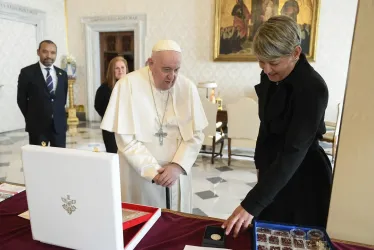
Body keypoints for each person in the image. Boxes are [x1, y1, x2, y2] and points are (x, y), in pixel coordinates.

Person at [222, 15, 332, 237]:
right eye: (261, 61)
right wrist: (261, 166)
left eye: (273, 62)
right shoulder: (270, 75)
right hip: (274, 170)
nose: (266, 70)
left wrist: (252, 203)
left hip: (304, 176)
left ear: (296, 53)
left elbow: (294, 150)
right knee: (267, 234)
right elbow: (267, 125)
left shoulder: (313, 88)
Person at [100, 40, 208, 212]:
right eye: (166, 69)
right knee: (141, 223)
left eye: (176, 70)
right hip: (139, 174)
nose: (172, 76)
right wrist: (152, 171)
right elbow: (125, 139)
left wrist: (178, 165)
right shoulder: (127, 85)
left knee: (176, 223)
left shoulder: (187, 87)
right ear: (151, 63)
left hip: (176, 174)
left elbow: (196, 133)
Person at [17, 40, 68, 147]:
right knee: (39, 159)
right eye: (45, 52)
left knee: (60, 158)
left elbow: (62, 99)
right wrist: (31, 117)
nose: (49, 56)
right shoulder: (27, 73)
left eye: (53, 53)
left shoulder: (62, 74)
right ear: (38, 52)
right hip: (37, 127)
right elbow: (21, 100)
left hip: (58, 127)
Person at [94, 56, 128, 153]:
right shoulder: (104, 89)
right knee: (114, 155)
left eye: (122, 67)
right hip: (111, 130)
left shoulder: (131, 85)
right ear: (111, 71)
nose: (120, 71)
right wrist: (111, 118)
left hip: (128, 129)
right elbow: (98, 106)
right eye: (117, 68)